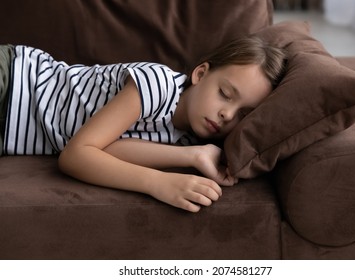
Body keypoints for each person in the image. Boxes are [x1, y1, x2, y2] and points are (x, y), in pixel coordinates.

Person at [0, 36, 286, 212]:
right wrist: (159, 182)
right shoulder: (156, 85)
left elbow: (108, 152)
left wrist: (193, 155)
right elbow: (76, 155)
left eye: (242, 115)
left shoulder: (190, 139)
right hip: (13, 83)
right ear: (200, 74)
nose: (227, 115)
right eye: (225, 94)